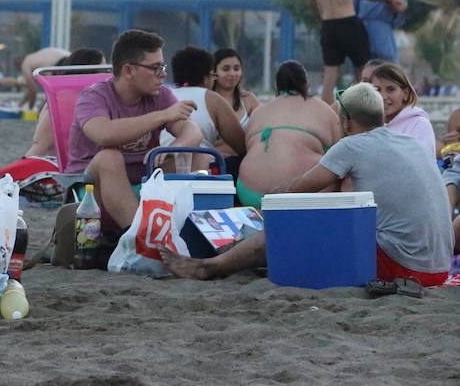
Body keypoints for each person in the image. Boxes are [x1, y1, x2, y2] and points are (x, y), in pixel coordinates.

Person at [159, 83, 455, 287]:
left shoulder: (352, 146)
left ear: (347, 120)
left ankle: (211, 267)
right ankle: (232, 259)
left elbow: (295, 191)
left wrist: (266, 204)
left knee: (291, 226)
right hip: (438, 267)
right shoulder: (411, 143)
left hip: (404, 268)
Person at [65, 29, 202, 236]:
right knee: (109, 157)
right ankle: (139, 238)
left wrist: (172, 148)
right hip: (91, 192)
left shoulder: (160, 95)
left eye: (162, 66)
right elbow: (103, 134)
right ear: (128, 70)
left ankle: (190, 234)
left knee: (195, 154)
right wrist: (162, 116)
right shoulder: (93, 96)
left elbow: (192, 131)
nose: (163, 74)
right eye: (155, 68)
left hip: (142, 181)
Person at [236, 61, 341, 208]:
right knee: (338, 173)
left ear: (276, 86)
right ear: (306, 85)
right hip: (300, 194)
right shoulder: (323, 109)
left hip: (250, 190)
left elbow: (249, 148)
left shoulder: (259, 111)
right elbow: (340, 155)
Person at [160, 46, 246, 170]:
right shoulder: (211, 98)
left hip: (160, 168)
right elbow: (241, 144)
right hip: (201, 170)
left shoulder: (163, 97)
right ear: (205, 78)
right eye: (212, 75)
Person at [25, 48, 106, 158]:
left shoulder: (85, 100)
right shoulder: (63, 102)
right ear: (88, 73)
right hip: (60, 163)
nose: (108, 76)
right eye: (103, 71)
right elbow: (39, 147)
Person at [211, 48, 261, 179]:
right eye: (226, 69)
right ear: (214, 72)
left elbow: (264, 127)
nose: (232, 73)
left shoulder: (249, 99)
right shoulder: (207, 99)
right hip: (214, 165)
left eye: (236, 68)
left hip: (244, 165)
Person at [369, 62, 436, 157]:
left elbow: (419, 166)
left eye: (390, 89)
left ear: (406, 93)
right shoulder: (366, 124)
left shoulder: (419, 124)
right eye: (377, 90)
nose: (383, 96)